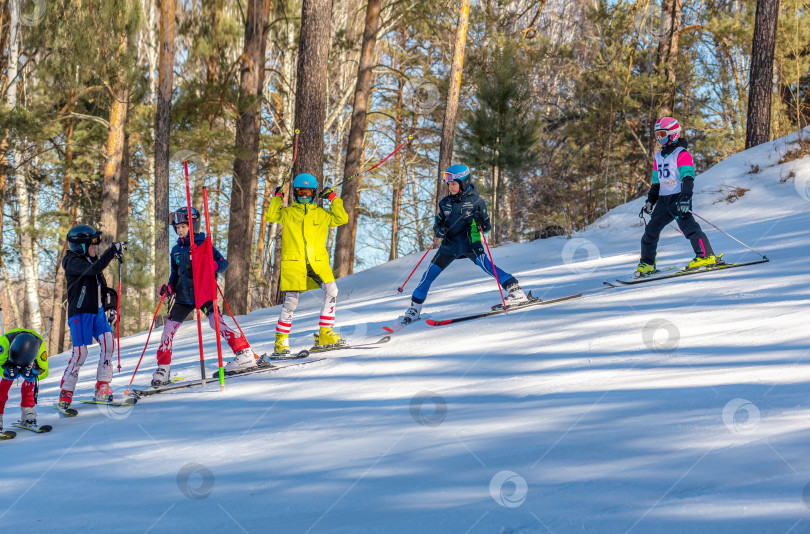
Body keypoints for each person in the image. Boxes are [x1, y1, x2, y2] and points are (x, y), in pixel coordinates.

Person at [402, 164, 528, 324]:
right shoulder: (445, 202)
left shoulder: (477, 201)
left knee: (488, 266)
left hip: (470, 243)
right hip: (449, 246)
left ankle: (515, 290)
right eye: (449, 184)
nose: (450, 187)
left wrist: (482, 220)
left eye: (454, 183)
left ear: (463, 182)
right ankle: (415, 308)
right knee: (429, 274)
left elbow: (486, 227)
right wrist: (439, 230)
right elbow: (438, 222)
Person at [152, 207, 256, 383]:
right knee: (168, 330)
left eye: (183, 227)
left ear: (193, 226)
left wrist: (212, 266)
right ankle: (163, 369)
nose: (180, 230)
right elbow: (174, 273)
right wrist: (169, 287)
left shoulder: (204, 244)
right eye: (177, 228)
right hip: (184, 298)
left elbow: (223, 264)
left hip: (204, 293)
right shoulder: (176, 250)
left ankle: (244, 353)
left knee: (216, 323)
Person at [264, 173, 348, 357]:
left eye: (308, 192)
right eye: (300, 192)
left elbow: (341, 218)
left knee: (332, 290)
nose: (304, 196)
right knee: (291, 302)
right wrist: (277, 198)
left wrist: (334, 198)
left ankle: (325, 333)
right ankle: (281, 341)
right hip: (295, 263)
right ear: (295, 193)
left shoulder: (322, 214)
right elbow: (271, 216)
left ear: (314, 193)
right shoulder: (287, 213)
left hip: (317, 262)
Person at [637, 117, 722, 277]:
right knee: (650, 231)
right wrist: (650, 201)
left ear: (673, 134)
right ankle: (647, 264)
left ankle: (706, 256)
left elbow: (688, 177)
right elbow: (656, 183)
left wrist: (685, 197)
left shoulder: (681, 154)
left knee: (689, 228)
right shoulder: (658, 157)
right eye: (657, 135)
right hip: (663, 200)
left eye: (662, 134)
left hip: (678, 197)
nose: (659, 138)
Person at [58, 224, 125, 409]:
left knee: (109, 343)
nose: (96, 248)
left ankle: (103, 385)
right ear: (80, 246)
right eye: (92, 244)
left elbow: (101, 288)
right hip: (80, 314)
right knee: (80, 353)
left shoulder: (90, 261)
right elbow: (95, 269)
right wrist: (112, 252)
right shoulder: (72, 261)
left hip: (97, 312)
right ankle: (66, 391)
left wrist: (110, 308)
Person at [0, 329, 48, 431]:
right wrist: (6, 372)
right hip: (9, 360)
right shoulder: (4, 343)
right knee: (4, 384)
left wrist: (34, 374)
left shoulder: (40, 346)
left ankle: (28, 411)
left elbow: (44, 370)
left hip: (30, 362)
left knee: (30, 376)